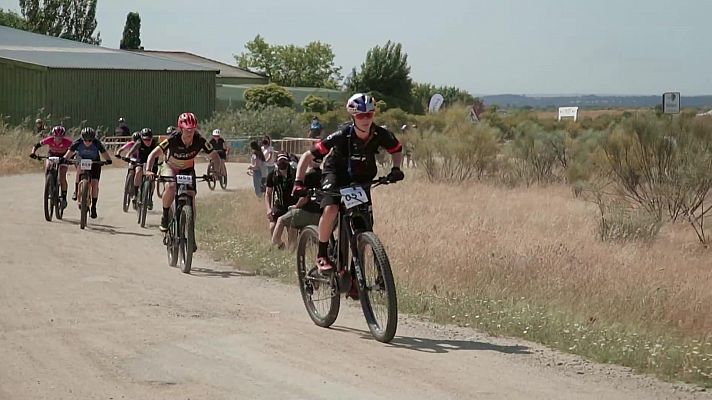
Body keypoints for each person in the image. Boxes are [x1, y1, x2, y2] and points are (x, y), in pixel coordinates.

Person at [293, 93, 404, 274]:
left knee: (364, 226)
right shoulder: (343, 134)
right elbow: (308, 156)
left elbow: (396, 149)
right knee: (332, 209)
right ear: (353, 116)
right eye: (361, 115)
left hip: (360, 178)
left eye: (370, 114)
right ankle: (322, 254)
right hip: (335, 174)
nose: (366, 119)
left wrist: (396, 169)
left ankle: (354, 276)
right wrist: (298, 182)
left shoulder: (380, 134)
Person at [145, 112, 220, 233]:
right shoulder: (172, 139)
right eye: (187, 130)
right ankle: (165, 215)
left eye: (193, 129)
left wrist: (215, 171)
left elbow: (215, 156)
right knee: (170, 187)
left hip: (187, 169)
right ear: (181, 128)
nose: (190, 132)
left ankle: (191, 232)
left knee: (191, 196)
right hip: (170, 167)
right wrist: (148, 170)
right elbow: (153, 154)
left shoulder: (199, 140)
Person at [271, 158, 322, 249]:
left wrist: (296, 206)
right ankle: (292, 248)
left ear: (309, 161)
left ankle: (276, 244)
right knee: (293, 224)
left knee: (281, 220)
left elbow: (304, 198)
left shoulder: (308, 175)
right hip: (322, 214)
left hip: (308, 212)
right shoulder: (324, 175)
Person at [63, 127, 113, 219]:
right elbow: (68, 153)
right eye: (85, 140)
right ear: (82, 138)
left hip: (94, 162)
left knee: (95, 183)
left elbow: (104, 153)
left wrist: (108, 160)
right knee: (79, 168)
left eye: (90, 140)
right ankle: (76, 190)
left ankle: (93, 206)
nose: (88, 142)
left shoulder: (97, 143)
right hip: (82, 160)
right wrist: (65, 159)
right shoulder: (78, 142)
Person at [29, 125, 74, 209]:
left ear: (63, 136)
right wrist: (33, 152)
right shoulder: (49, 139)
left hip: (63, 157)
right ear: (53, 135)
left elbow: (74, 149)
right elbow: (36, 145)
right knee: (48, 168)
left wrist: (71, 158)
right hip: (51, 155)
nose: (58, 139)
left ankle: (64, 198)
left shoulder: (68, 142)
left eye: (60, 137)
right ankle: (49, 184)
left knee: (62, 176)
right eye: (56, 136)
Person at [122, 128, 159, 210]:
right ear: (142, 138)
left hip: (153, 163)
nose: (147, 141)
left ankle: (150, 198)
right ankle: (135, 194)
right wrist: (127, 157)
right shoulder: (139, 143)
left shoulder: (155, 144)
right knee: (138, 171)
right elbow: (130, 152)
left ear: (152, 138)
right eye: (145, 139)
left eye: (149, 139)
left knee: (152, 179)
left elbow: (164, 151)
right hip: (141, 161)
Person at [264, 152, 297, 235]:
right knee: (272, 228)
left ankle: (291, 248)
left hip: (292, 206)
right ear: (276, 162)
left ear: (288, 161)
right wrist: (268, 209)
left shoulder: (295, 173)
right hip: (279, 205)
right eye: (280, 161)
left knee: (292, 231)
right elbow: (268, 193)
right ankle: (279, 246)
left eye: (284, 161)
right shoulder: (272, 175)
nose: (282, 163)